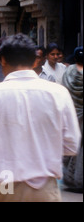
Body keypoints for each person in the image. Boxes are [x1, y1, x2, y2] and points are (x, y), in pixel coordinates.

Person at [0, 34, 81, 202]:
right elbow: (71, 145)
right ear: (35, 62)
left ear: (2, 60)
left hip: (4, 184)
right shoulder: (58, 93)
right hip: (43, 188)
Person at [62, 46, 83, 192]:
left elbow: (64, 93)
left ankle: (70, 179)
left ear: (74, 58)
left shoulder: (68, 71)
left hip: (73, 114)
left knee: (73, 145)